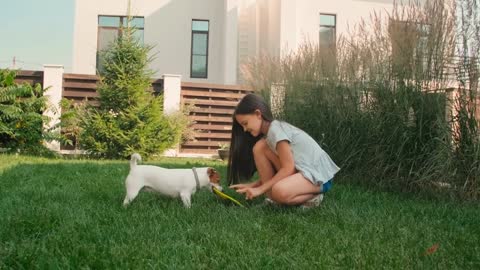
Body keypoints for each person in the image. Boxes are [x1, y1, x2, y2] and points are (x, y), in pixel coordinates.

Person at [227, 93, 340, 207]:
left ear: (258, 114)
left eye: (245, 123)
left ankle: (313, 196)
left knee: (279, 191)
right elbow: (284, 168)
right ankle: (274, 198)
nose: (245, 129)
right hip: (302, 172)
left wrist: (260, 189)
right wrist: (255, 185)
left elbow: (288, 168)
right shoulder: (269, 136)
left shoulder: (277, 131)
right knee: (259, 147)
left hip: (319, 177)